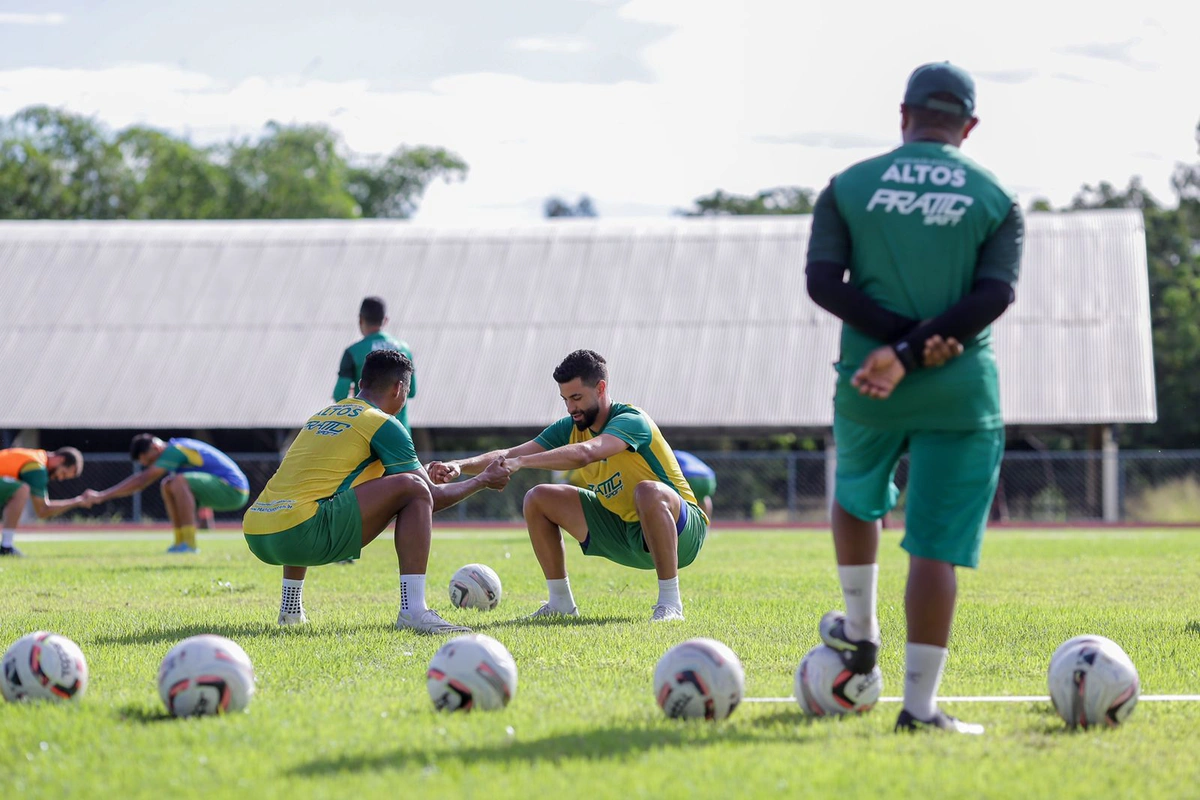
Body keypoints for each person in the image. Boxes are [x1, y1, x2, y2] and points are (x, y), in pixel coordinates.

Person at [805, 62, 1023, 734]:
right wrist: (921, 349)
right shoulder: (997, 196)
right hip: (958, 385)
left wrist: (893, 349)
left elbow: (821, 281)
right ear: (970, 125)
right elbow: (995, 296)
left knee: (855, 493)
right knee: (934, 546)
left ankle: (860, 627)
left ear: (904, 115)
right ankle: (920, 708)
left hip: (869, 376)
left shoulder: (848, 187)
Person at [429, 349, 707, 622]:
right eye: (565, 399)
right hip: (625, 529)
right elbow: (510, 453)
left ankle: (671, 605)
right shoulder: (571, 425)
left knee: (648, 491)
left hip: (683, 533)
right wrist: (460, 465)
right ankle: (560, 603)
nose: (571, 407)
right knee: (537, 497)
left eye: (576, 397)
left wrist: (522, 463)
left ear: (600, 388)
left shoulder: (631, 420)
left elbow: (587, 452)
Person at [244, 349, 511, 632]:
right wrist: (482, 479)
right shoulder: (383, 422)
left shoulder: (321, 415)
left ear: (361, 384)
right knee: (415, 487)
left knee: (308, 497)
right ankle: (413, 611)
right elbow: (429, 496)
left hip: (259, 532)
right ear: (399, 389)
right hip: (299, 535)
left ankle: (290, 610)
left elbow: (311, 486)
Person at [85, 435, 250, 553]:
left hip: (234, 489)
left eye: (146, 459)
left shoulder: (175, 450)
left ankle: (190, 544)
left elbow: (142, 480)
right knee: (167, 484)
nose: (145, 464)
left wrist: (102, 496)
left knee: (177, 481)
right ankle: (180, 542)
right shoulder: (175, 449)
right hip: (221, 489)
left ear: (156, 447)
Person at [335, 296, 417, 432]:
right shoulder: (404, 349)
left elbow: (339, 396)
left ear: (360, 319)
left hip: (367, 432)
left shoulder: (353, 352)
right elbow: (412, 391)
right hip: (400, 432)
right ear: (385, 320)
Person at [0, 447, 88, 556]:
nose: (60, 478)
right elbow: (42, 510)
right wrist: (77, 501)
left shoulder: (37, 455)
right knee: (21, 490)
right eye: (63, 473)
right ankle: (6, 546)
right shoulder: (37, 468)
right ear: (61, 459)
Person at [674, 451, 716, 518]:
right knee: (704, 497)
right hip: (709, 477)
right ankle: (706, 524)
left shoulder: (670, 454)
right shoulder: (683, 454)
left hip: (691, 477)